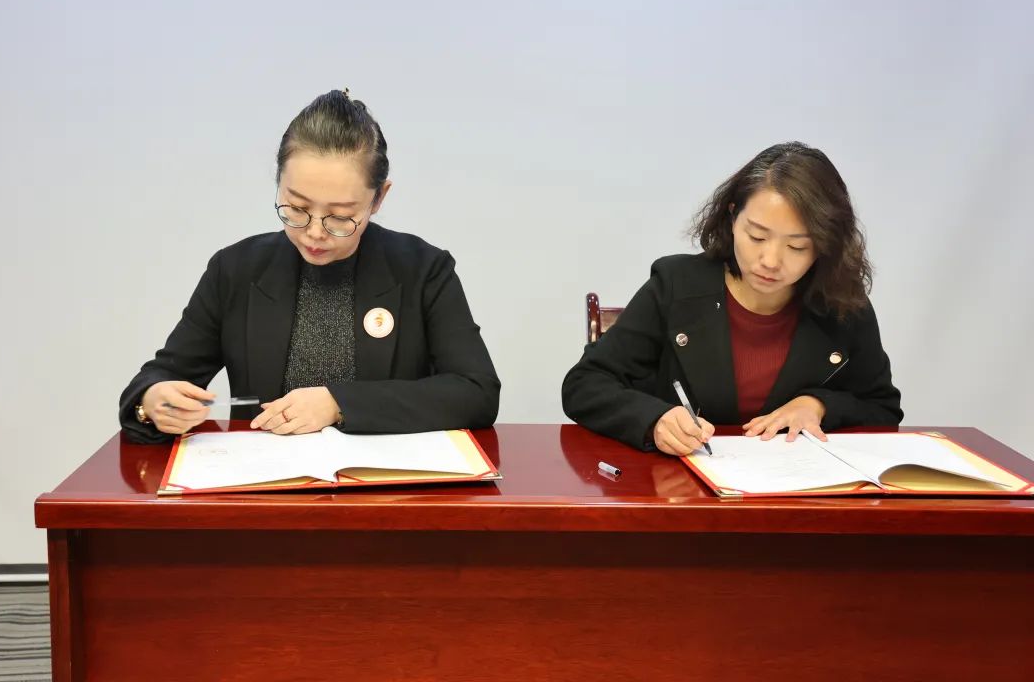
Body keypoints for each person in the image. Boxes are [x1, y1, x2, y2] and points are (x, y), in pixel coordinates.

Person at [119, 90, 499, 443]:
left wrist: (338, 403)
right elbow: (159, 378)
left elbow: (476, 391)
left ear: (378, 199)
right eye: (297, 208)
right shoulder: (235, 270)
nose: (315, 233)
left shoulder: (423, 270)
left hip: (383, 485)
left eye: (340, 216)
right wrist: (152, 401)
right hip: (267, 484)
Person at [562, 142, 901, 456]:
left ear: (825, 245)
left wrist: (818, 405)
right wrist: (655, 420)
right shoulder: (676, 285)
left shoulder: (842, 306)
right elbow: (584, 384)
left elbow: (882, 408)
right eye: (757, 236)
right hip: (686, 488)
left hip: (799, 492)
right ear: (733, 217)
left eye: (797, 246)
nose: (770, 260)